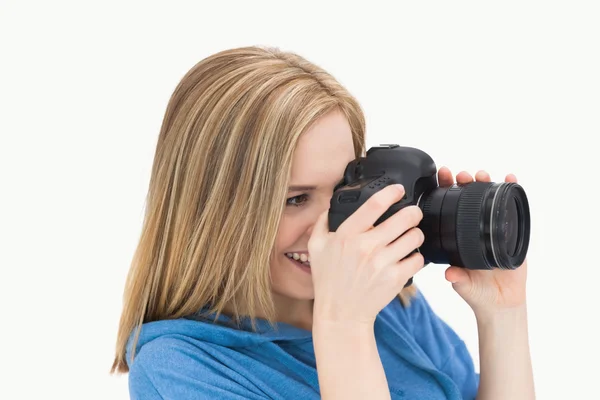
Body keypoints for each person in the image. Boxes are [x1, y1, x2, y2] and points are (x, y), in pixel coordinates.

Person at [111, 46, 535, 399]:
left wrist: (503, 316)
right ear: (216, 210)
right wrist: (345, 326)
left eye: (347, 188)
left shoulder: (392, 307)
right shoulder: (179, 370)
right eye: (296, 198)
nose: (332, 228)